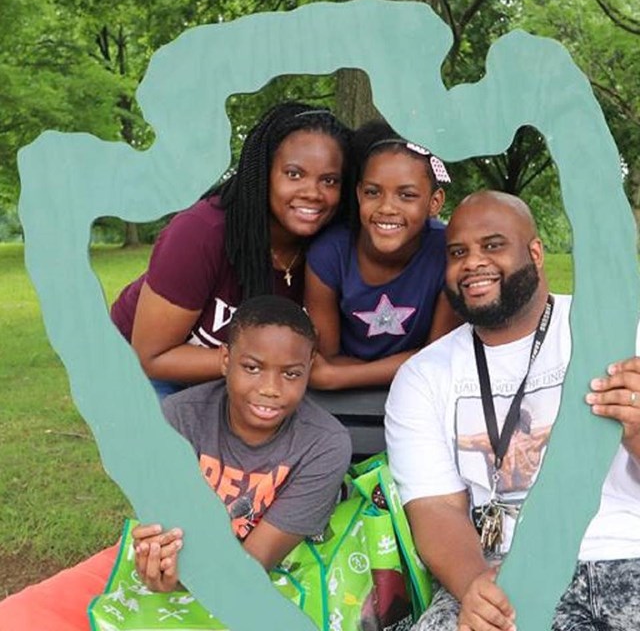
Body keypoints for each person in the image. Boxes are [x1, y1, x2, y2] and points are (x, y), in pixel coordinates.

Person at [0, 295, 352, 628]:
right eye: (252, 367)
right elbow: (167, 532)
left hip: (271, 573)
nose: (271, 388)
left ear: (309, 369)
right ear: (226, 359)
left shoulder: (324, 444)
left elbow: (253, 565)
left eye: (291, 373)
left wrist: (181, 582)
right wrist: (159, 561)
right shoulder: (177, 418)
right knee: (19, 616)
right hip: (178, 565)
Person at [384, 190, 640, 631]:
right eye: (458, 252)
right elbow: (437, 509)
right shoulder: (423, 376)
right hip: (507, 574)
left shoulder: (618, 333)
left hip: (626, 551)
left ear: (536, 252)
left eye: (493, 245)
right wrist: (475, 588)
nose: (473, 263)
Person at [110, 102, 352, 397]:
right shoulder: (200, 232)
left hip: (247, 380)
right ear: (263, 173)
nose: (313, 193)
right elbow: (153, 357)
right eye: (294, 174)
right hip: (144, 370)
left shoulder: (333, 247)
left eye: (329, 180)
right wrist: (266, 362)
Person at [304, 121, 459, 390]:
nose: (387, 207)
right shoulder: (329, 255)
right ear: (358, 194)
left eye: (407, 195)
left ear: (434, 202)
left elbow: (437, 358)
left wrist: (341, 377)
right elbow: (326, 357)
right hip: (345, 403)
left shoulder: (446, 253)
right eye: (373, 192)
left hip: (422, 395)